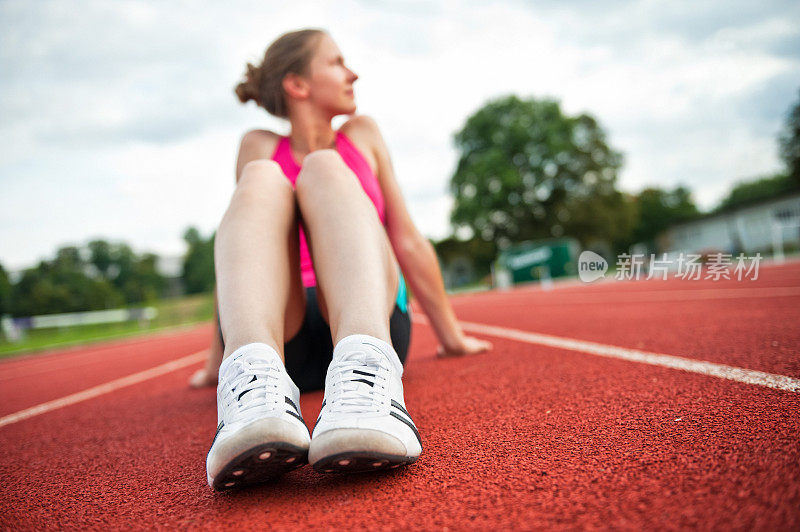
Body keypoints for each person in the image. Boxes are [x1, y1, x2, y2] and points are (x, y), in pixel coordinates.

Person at [204, 28, 492, 491]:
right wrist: (217, 360)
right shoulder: (257, 145)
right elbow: (241, 253)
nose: (351, 72)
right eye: (337, 62)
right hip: (287, 335)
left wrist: (451, 337)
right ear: (298, 85)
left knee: (324, 166)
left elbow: (407, 240)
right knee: (260, 177)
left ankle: (366, 374)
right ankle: (252, 381)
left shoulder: (363, 134)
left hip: (369, 314)